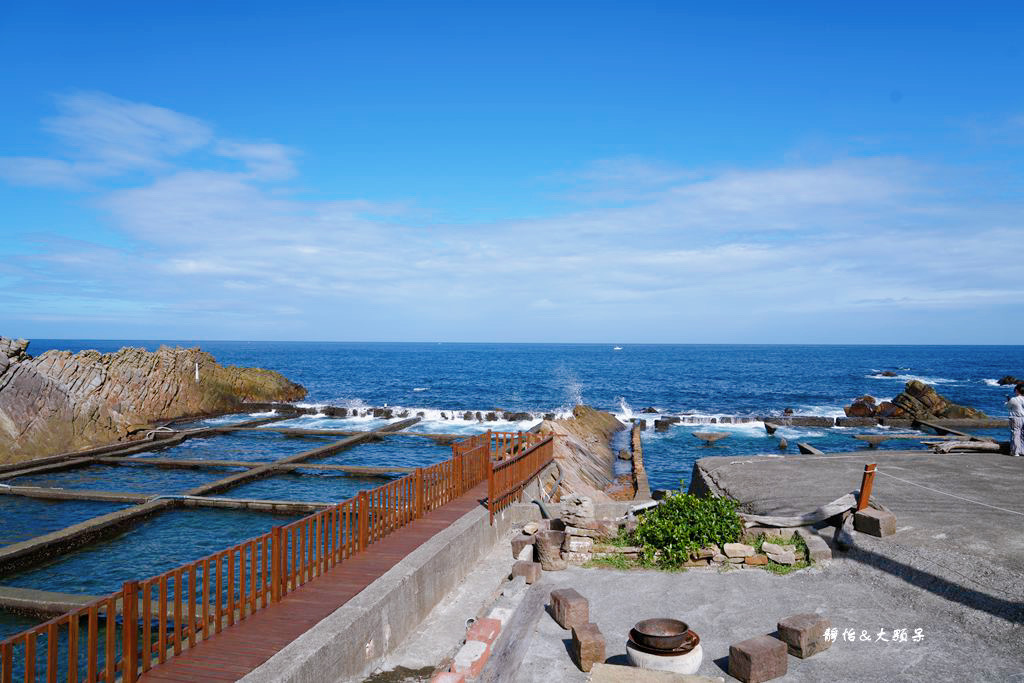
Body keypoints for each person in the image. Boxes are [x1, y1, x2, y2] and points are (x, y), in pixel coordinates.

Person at [1008, 383, 1024, 456]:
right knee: (1022, 434)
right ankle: (1022, 450)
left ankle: (1016, 451)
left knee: (1016, 433)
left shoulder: (1014, 399)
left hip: (1016, 418)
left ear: (1017, 391)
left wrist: (1008, 400)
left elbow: (1008, 406)